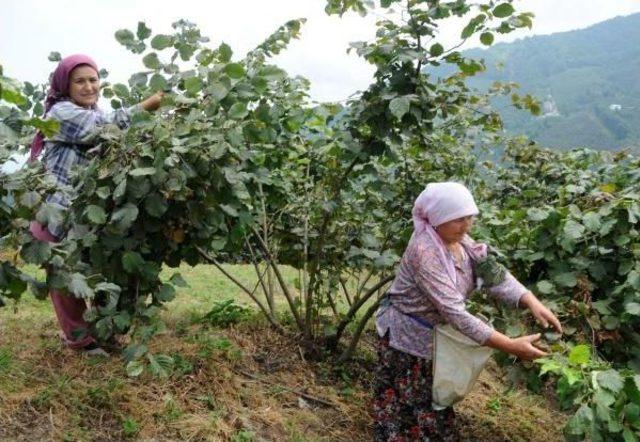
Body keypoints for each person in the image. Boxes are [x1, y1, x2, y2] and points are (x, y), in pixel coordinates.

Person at [373, 182, 562, 441]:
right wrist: (509, 345)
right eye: (458, 220)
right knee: (408, 405)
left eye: (469, 218)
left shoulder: (461, 242)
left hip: (435, 339)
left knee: (434, 400)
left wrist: (530, 300)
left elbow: (493, 275)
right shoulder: (425, 252)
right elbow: (455, 312)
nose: (466, 225)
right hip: (406, 341)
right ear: (438, 219)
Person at [29, 54, 164, 356]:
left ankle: (104, 332)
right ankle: (80, 340)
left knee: (100, 274)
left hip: (89, 215)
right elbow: (103, 128)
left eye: (93, 79)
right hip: (57, 213)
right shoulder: (60, 113)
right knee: (65, 281)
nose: (88, 86)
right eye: (80, 81)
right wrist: (146, 107)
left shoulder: (93, 110)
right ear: (65, 85)